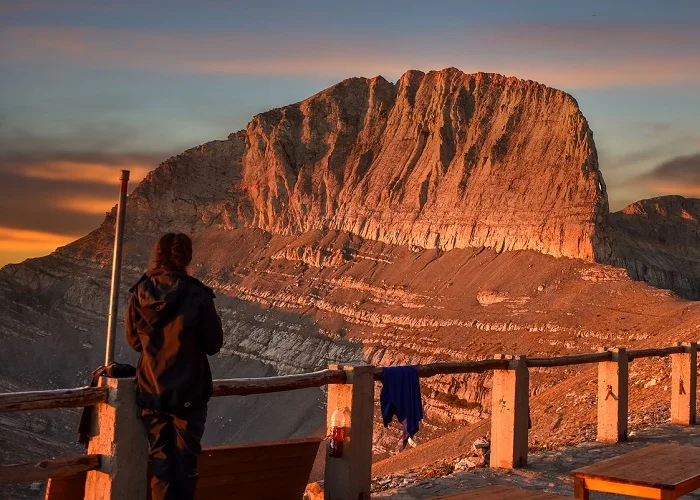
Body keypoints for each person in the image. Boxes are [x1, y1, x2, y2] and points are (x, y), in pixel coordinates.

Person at [126, 232, 223, 500]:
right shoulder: (198, 294)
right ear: (187, 257)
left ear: (157, 254)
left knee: (161, 462)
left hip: (152, 391)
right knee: (186, 464)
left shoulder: (140, 292)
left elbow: (134, 341)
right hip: (189, 394)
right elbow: (213, 345)